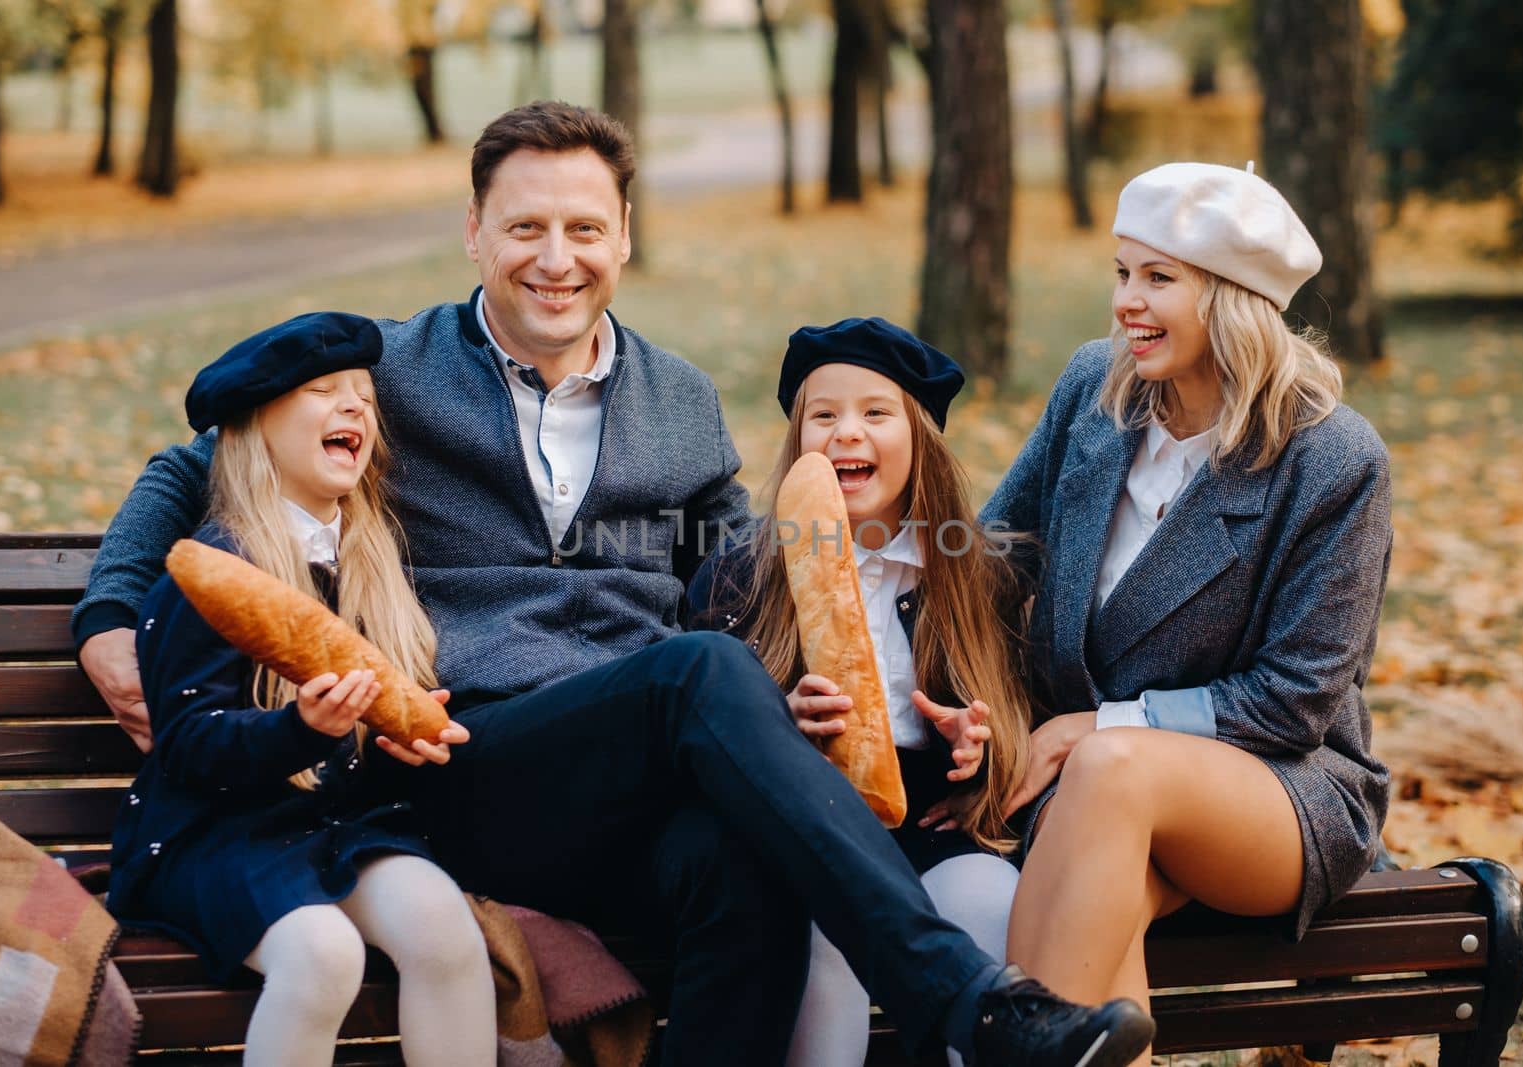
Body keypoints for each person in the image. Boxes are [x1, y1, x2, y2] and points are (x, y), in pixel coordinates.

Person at [74, 101, 1157, 1066]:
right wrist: (112, 615)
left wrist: (826, 681)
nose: (557, 258)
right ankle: (966, 1000)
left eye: (585, 228)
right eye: (526, 227)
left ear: (624, 238)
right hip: (468, 762)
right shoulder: (394, 373)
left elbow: (751, 566)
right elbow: (194, 465)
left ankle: (961, 1002)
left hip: (637, 780)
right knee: (694, 672)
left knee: (744, 857)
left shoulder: (679, 401)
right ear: (474, 234)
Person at [976, 162, 1392, 1067]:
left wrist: (1099, 724)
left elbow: (1295, 703)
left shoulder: (1332, 457)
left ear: (1236, 297)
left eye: (1160, 278)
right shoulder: (1096, 387)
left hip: (1284, 787)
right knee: (1104, 896)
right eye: (1123, 272)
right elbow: (993, 563)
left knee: (1112, 767)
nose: (1128, 301)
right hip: (1091, 797)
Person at [106, 312, 494, 1067]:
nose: (355, 405)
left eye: (365, 399)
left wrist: (398, 739)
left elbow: (361, 753)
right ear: (255, 427)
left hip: (327, 827)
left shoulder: (372, 565)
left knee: (445, 927)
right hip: (209, 835)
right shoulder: (216, 572)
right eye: (323, 391)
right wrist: (302, 729)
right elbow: (186, 745)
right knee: (323, 953)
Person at [686, 317, 1036, 1067]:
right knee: (825, 927)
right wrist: (777, 723)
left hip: (933, 830)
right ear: (797, 439)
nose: (848, 432)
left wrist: (976, 748)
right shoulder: (739, 577)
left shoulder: (978, 575)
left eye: (876, 413)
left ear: (920, 438)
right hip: (808, 836)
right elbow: (699, 733)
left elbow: (1011, 728)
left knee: (987, 900)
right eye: (824, 414)